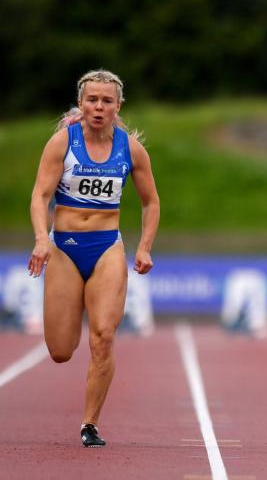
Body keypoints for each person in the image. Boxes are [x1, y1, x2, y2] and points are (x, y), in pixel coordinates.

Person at [28, 69, 160, 447]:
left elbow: (151, 202)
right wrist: (41, 238)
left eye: (106, 101)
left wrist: (145, 245)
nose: (98, 107)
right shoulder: (61, 143)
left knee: (103, 335)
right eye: (92, 100)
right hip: (65, 249)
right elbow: (40, 196)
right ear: (81, 103)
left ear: (118, 106)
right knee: (60, 351)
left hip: (106, 247)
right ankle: (67, 336)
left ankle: (90, 424)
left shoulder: (130, 149)